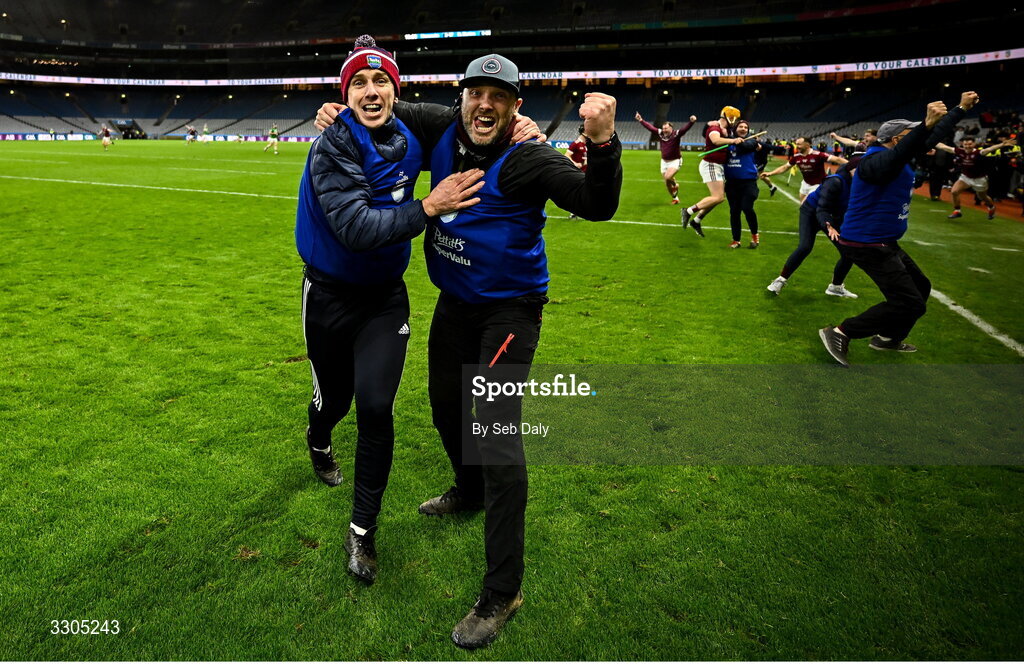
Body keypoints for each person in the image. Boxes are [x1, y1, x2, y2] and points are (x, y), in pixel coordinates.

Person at [316, 53, 622, 650]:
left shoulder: (530, 156)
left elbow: (596, 203)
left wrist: (604, 143)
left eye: (498, 96)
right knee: (444, 407)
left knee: (497, 436)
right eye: (475, 93)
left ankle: (503, 590)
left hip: (509, 310)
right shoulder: (440, 126)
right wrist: (331, 106)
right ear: (462, 99)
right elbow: (377, 102)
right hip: (455, 303)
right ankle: (469, 489)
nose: (484, 105)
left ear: (515, 107)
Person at [295, 36, 486, 587]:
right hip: (328, 296)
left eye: (381, 82)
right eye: (358, 82)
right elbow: (355, 230)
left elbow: (467, 116)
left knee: (376, 407)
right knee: (333, 400)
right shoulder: (330, 146)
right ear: (344, 92)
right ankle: (318, 438)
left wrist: (519, 124)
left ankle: (362, 532)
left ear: (396, 92)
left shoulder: (409, 132)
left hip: (384, 299)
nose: (371, 90)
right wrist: (429, 207)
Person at [818, 92, 977, 367]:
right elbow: (907, 149)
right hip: (866, 243)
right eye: (909, 134)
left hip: (884, 241)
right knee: (909, 303)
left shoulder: (897, 156)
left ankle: (888, 338)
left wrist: (960, 109)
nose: (920, 138)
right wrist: (926, 126)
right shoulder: (873, 162)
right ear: (895, 140)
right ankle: (841, 332)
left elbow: (923, 141)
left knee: (920, 288)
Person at [766, 153, 863, 298]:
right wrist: (828, 225)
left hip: (833, 216)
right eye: (860, 170)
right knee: (805, 247)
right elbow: (821, 208)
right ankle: (780, 280)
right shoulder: (835, 181)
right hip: (812, 212)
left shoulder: (862, 184)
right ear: (851, 169)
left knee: (849, 252)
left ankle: (835, 287)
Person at [680, 106, 744, 237]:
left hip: (718, 165)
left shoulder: (726, 129)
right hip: (711, 164)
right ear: (729, 116)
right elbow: (715, 140)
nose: (735, 121)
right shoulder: (715, 127)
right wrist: (733, 141)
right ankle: (688, 211)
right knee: (718, 197)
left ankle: (697, 221)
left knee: (718, 198)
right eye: (734, 118)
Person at [935, 136, 1016, 219]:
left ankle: (991, 207)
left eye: (970, 144)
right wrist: (929, 139)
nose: (967, 146)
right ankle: (957, 211)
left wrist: (1002, 144)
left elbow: (990, 149)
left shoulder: (978, 153)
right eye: (965, 144)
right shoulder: (959, 151)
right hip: (965, 177)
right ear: (962, 144)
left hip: (979, 179)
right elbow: (943, 146)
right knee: (954, 191)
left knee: (982, 197)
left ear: (974, 144)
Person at [761, 136, 847, 203]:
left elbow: (837, 159)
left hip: (818, 185)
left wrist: (853, 165)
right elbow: (785, 167)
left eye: (799, 144)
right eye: (796, 144)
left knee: (806, 205)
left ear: (807, 145)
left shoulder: (818, 155)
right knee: (803, 206)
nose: (797, 146)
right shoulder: (796, 157)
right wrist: (770, 173)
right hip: (805, 184)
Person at [634, 111, 696, 204]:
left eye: (666, 128)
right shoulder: (660, 133)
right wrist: (641, 120)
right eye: (663, 128)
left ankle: (675, 184)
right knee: (667, 183)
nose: (664, 130)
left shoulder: (676, 134)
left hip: (675, 160)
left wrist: (691, 122)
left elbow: (684, 129)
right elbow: (650, 128)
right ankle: (675, 198)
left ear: (671, 128)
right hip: (664, 161)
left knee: (667, 177)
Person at [723, 119, 763, 248]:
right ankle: (736, 240)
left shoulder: (752, 141)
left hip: (748, 183)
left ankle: (755, 236)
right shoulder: (728, 142)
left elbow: (745, 146)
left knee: (747, 207)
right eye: (741, 126)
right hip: (731, 183)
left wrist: (738, 141)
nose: (743, 129)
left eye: (746, 127)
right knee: (734, 212)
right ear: (735, 129)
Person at [564, 128, 587, 218]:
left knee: (584, 193)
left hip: (585, 172)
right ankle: (573, 212)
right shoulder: (576, 144)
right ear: (584, 132)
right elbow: (566, 155)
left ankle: (579, 211)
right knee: (578, 193)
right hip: (578, 173)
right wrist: (575, 163)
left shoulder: (585, 144)